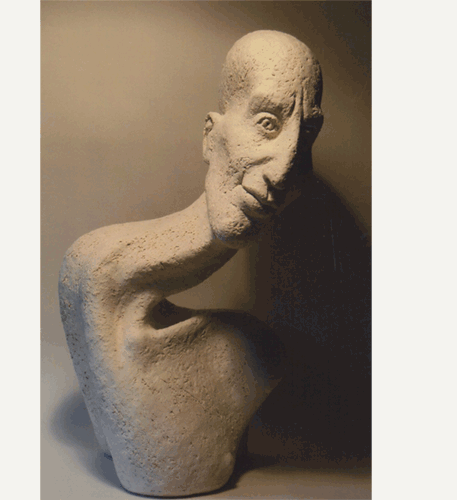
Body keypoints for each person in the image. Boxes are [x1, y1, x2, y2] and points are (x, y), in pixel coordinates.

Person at [59, 30, 323, 497]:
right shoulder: (88, 269)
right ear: (210, 135)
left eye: (305, 137)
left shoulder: (251, 352)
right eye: (267, 123)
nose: (284, 169)